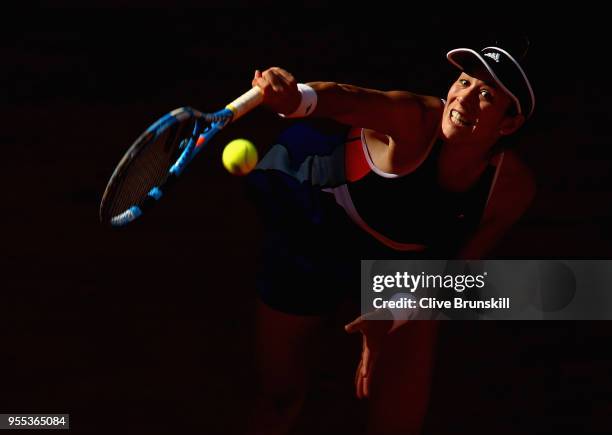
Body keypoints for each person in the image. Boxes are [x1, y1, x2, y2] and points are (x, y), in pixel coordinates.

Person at [244, 43, 536, 435]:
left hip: (396, 267)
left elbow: (457, 272)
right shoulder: (414, 118)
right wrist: (296, 98)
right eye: (464, 81)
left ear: (509, 124)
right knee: (280, 396)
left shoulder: (511, 188)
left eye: (485, 95)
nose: (462, 99)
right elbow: (347, 98)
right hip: (315, 234)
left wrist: (394, 314)